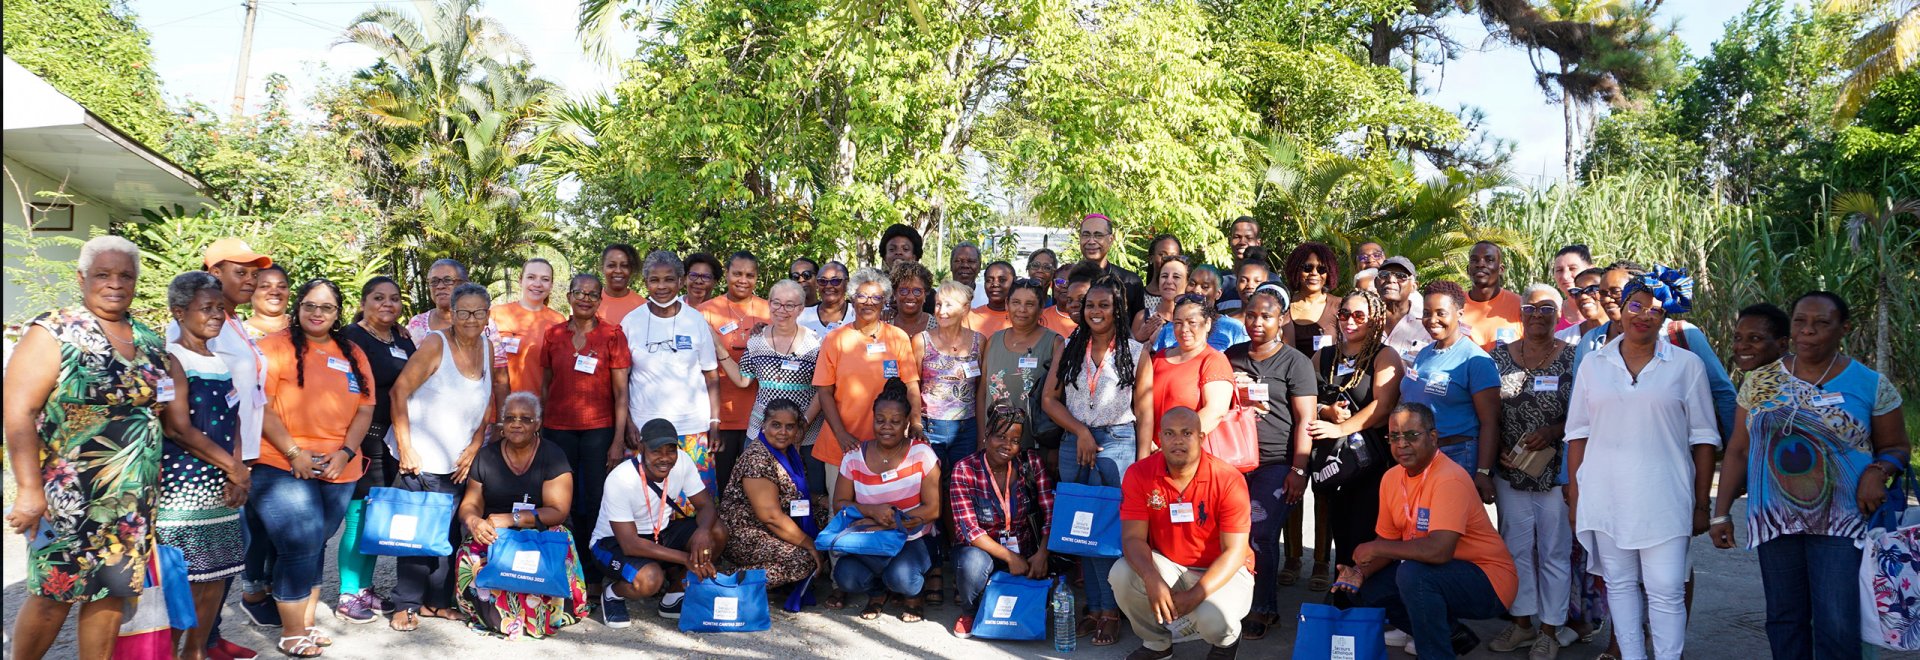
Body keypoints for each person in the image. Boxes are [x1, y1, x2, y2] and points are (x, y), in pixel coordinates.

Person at [1710, 292, 1909, 660]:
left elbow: (1897, 446)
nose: (1808, 331)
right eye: (1801, 321)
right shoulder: (1759, 382)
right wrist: (1721, 512)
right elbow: (1738, 449)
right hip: (1775, 521)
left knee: (1837, 623)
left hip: (1841, 523)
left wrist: (1878, 472)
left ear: (1843, 329)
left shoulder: (1870, 384)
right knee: (1784, 619)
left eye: (1821, 323)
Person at [4, 236, 168, 660]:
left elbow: (162, 411)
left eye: (125, 275)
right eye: (103, 274)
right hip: (67, 494)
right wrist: (28, 489)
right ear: (81, 278)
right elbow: (19, 410)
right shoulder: (54, 330)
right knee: (53, 591)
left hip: (132, 499)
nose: (115, 283)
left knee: (112, 593)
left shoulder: (149, 340)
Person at [1564, 267, 1720, 660]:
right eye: (1636, 305)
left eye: (1654, 310)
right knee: (1619, 585)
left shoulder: (1687, 366)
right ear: (1622, 307)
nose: (1643, 315)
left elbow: (1704, 439)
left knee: (1666, 589)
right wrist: (1576, 498)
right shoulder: (1593, 365)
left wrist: (1702, 504)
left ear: (1665, 316)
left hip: (1665, 497)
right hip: (1605, 495)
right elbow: (1577, 436)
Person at [254, 278, 376, 657]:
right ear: (298, 306)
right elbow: (263, 406)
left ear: (338, 313)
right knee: (299, 544)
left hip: (339, 466)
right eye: (310, 305)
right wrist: (294, 453)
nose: (318, 313)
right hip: (281, 462)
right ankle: (291, 632)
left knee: (316, 543)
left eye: (327, 307)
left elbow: (366, 408)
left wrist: (345, 452)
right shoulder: (272, 347)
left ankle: (304, 625)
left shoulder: (352, 351)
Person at [1339, 403, 1517, 660]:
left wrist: (1375, 548)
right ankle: (1452, 635)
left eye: (1412, 435)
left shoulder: (1449, 478)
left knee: (1414, 575)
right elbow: (1388, 539)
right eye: (1395, 436)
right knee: (1367, 590)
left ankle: (1435, 653)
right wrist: (1359, 572)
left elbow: (1439, 551)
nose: (1402, 444)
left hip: (1488, 582)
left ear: (1433, 438)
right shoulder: (1391, 478)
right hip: (1441, 573)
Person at [1041, 272, 1147, 646]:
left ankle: (1111, 611)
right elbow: (1049, 400)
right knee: (1080, 529)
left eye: (1104, 305)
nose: (1096, 311)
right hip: (1076, 441)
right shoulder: (1070, 345)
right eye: (1090, 305)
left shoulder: (1135, 351)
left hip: (1118, 442)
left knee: (1109, 532)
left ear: (1118, 309)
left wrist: (1144, 461)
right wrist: (1082, 432)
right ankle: (1095, 608)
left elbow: (1144, 411)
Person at [388, 283, 497, 631]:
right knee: (418, 535)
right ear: (452, 313)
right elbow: (399, 391)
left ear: (488, 316)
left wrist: (476, 444)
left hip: (458, 460)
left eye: (478, 312)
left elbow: (487, 401)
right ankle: (405, 604)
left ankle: (435, 603)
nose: (470, 319)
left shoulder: (487, 347)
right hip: (422, 457)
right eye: (463, 312)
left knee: (448, 536)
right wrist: (406, 447)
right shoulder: (436, 343)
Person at [156, 272, 254, 660]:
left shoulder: (218, 359)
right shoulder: (173, 359)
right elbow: (178, 428)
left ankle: (195, 652)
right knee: (183, 582)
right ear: (179, 312)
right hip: (185, 488)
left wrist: (238, 469)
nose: (216, 316)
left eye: (220, 309)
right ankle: (170, 653)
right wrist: (234, 468)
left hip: (222, 484)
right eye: (207, 308)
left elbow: (234, 418)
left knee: (216, 575)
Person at [1111, 407, 1255, 660]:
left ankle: (1226, 643)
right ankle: (1157, 645)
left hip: (1225, 569)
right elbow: (1132, 538)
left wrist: (1195, 594)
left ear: (1201, 437)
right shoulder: (1139, 473)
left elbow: (1235, 551)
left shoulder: (1227, 478)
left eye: (1187, 433)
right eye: (1169, 433)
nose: (1178, 440)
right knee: (1122, 574)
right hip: (1171, 564)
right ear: (1159, 438)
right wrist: (1151, 577)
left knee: (1212, 619)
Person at [1484, 284, 1579, 659]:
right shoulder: (1498, 357)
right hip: (1510, 469)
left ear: (1559, 315)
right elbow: (1488, 413)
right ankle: (1522, 624)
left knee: (1554, 551)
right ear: (1519, 313)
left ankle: (1550, 631)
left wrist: (1554, 431)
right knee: (1515, 549)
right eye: (1530, 308)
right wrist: (1497, 453)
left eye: (1546, 308)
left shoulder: (1574, 358)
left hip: (1555, 470)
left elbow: (1585, 413)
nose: (1537, 314)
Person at [1224, 284, 1319, 640]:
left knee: (1261, 532)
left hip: (1276, 463)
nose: (1257, 322)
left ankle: (1263, 608)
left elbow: (1306, 421)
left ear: (1282, 319)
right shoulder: (1231, 355)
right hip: (1232, 460)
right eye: (1251, 314)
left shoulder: (1295, 362)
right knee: (1230, 533)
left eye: (1266, 315)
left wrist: (1298, 469)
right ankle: (1228, 603)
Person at [452, 392, 588, 638]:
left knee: (559, 541)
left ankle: (540, 614)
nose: (516, 424)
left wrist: (513, 519)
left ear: (537, 424)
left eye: (525, 419)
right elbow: (470, 503)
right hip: (497, 532)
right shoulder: (486, 457)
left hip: (541, 530)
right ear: (502, 424)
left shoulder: (553, 455)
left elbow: (558, 511)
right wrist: (474, 521)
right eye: (510, 418)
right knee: (470, 552)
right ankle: (492, 614)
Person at [538, 272, 633, 592]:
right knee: (558, 501)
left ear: (600, 300)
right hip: (557, 429)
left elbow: (622, 394)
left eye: (593, 295)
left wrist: (618, 440)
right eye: (579, 292)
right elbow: (546, 384)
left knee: (591, 501)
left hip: (598, 431)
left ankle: (591, 574)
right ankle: (559, 567)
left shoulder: (612, 335)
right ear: (569, 296)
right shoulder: (553, 335)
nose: (585, 299)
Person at [1571, 262, 1736, 440]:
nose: (1607, 299)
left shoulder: (1682, 335)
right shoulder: (1591, 343)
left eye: (1615, 292)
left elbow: (1722, 392)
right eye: (1602, 293)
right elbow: (1579, 417)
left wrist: (1736, 454)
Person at [334, 276, 418, 623]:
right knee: (357, 516)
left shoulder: (401, 337)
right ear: (364, 302)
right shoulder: (351, 338)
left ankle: (365, 589)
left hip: (392, 438)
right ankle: (348, 593)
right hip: (364, 438)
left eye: (394, 299)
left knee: (375, 516)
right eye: (379, 298)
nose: (387, 304)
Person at [1306, 290, 1403, 575]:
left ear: (1374, 321)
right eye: (1345, 314)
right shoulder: (1323, 356)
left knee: (1365, 532)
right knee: (1341, 529)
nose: (1350, 321)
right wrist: (1326, 412)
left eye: (1359, 315)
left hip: (1370, 462)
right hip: (1332, 460)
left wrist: (1340, 427)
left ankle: (1364, 599)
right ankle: (1343, 593)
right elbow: (1307, 399)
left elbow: (1382, 407)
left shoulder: (1385, 356)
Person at [591, 418, 723, 626]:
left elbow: (705, 505)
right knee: (650, 579)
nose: (665, 458)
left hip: (659, 533)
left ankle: (674, 595)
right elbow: (630, 543)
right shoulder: (621, 479)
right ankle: (613, 593)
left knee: (717, 531)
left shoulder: (683, 461)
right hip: (613, 542)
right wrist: (686, 558)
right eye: (656, 451)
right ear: (642, 449)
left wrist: (703, 532)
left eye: (670, 450)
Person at [832, 378, 943, 622]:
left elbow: (933, 509)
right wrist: (870, 510)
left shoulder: (922, 453)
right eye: (880, 420)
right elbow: (839, 503)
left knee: (902, 576)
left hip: (913, 537)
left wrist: (896, 521)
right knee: (846, 575)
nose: (886, 427)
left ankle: (913, 594)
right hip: (870, 537)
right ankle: (877, 591)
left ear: (906, 423)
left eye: (895, 422)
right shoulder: (853, 457)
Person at [814, 267, 924, 503]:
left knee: (885, 511)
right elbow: (824, 392)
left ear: (884, 301)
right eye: (862, 296)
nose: (868, 302)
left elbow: (912, 386)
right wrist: (841, 435)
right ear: (852, 299)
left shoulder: (898, 337)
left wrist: (915, 422)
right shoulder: (835, 340)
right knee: (842, 512)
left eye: (875, 297)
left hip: (889, 443)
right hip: (842, 444)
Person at [948, 403, 1055, 638]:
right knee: (972, 564)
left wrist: (1042, 554)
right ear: (987, 434)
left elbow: (1050, 513)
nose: (1007, 445)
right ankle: (970, 611)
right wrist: (1009, 557)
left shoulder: (1031, 464)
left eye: (1015, 440)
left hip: (1026, 551)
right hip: (982, 551)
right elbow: (970, 531)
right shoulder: (964, 470)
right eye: (1000, 436)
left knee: (1041, 600)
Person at [623, 250, 723, 491]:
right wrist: (628, 423)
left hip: (692, 429)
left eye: (669, 279)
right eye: (654, 280)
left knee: (696, 500)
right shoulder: (630, 322)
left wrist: (714, 423)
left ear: (680, 281)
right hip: (645, 429)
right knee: (646, 500)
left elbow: (711, 376)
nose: (662, 286)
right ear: (645, 282)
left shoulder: (695, 320)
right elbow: (620, 381)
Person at [713, 279, 826, 492]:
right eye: (776, 303)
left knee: (809, 495)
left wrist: (802, 426)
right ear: (769, 304)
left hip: (807, 434)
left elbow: (823, 390)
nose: (782, 310)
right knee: (761, 494)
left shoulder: (815, 344)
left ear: (801, 309)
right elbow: (743, 380)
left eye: (790, 305)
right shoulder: (756, 343)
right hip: (762, 431)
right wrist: (720, 349)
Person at [1401, 281, 1500, 504]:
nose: (1432, 320)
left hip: (1457, 455)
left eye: (1440, 313)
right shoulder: (1425, 353)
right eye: (1427, 313)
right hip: (1421, 455)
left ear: (1460, 314)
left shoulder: (1476, 360)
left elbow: (1490, 422)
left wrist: (1483, 472)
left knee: (1449, 529)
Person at [718, 400, 828, 591]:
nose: (783, 432)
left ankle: (774, 572)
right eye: (776, 425)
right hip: (746, 533)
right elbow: (770, 517)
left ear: (797, 430)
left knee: (831, 520)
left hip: (775, 524)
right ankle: (726, 580)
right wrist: (810, 545)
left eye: (790, 427)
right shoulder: (757, 459)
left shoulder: (789, 452)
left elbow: (790, 491)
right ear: (764, 425)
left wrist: (819, 500)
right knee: (802, 560)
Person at [702, 251, 771, 499]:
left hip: (760, 416)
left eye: (750, 275)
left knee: (754, 486)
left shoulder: (769, 310)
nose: (743, 280)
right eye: (737, 273)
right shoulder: (706, 311)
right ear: (727, 274)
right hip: (720, 416)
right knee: (722, 485)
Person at [977, 279, 1062, 457]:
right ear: (1007, 304)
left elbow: (1060, 399)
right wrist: (981, 438)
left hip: (1036, 444)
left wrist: (1054, 448)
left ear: (1041, 308)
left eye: (1029, 304)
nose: (1022, 309)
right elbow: (983, 392)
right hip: (994, 443)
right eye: (1016, 302)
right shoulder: (994, 340)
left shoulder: (1054, 343)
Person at [1137, 295, 1235, 441]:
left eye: (1192, 322)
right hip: (1153, 451)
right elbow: (1142, 408)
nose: (1184, 329)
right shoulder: (1159, 357)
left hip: (1188, 451)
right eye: (1178, 323)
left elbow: (1215, 411)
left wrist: (1175, 442)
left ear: (1207, 323)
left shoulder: (1213, 360)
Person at [920, 281, 984, 470]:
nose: (941, 311)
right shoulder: (921, 340)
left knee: (962, 484)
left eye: (949, 304)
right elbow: (913, 385)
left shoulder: (979, 341)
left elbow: (979, 390)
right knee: (931, 485)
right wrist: (915, 423)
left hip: (967, 428)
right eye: (938, 304)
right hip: (929, 427)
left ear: (965, 308)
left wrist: (981, 435)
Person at [488, 259, 565, 399]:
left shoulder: (558, 322)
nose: (537, 284)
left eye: (545, 279)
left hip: (534, 409)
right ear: (520, 280)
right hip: (497, 408)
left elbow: (558, 372)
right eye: (531, 277)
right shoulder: (495, 314)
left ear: (551, 285)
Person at [1152, 265, 1248, 352]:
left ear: (1218, 294)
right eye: (1192, 284)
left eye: (1205, 287)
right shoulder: (1170, 329)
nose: (1196, 290)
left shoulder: (1234, 329)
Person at [1078, 212, 1146, 313]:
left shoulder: (1130, 281)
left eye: (1098, 235)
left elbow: (1138, 323)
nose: (1091, 241)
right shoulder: (1067, 278)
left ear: (1110, 239)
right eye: (1086, 235)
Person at [1462, 241, 1524, 351]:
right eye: (1474, 260)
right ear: (1468, 269)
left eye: (1489, 260)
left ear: (1501, 269)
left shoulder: (1520, 305)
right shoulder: (1454, 305)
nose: (1480, 264)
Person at [1283, 241, 1341, 357]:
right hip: (1293, 372)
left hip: (1328, 373)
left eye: (1321, 269)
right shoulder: (1283, 306)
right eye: (1307, 268)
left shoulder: (1340, 306)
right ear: (1296, 270)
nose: (1314, 273)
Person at [1378, 256, 1430, 360]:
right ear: (1376, 282)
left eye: (1401, 276)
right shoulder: (1361, 319)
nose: (1391, 280)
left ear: (1414, 286)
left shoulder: (1427, 323)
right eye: (1384, 275)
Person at [1131, 254, 1189, 343]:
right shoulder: (1142, 316)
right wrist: (1139, 337)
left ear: (1187, 284)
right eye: (1164, 276)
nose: (1169, 281)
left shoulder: (1193, 319)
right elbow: (1129, 354)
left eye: (1176, 277)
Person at [1728, 302, 1791, 373]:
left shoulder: (1788, 381)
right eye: (1737, 338)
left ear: (1782, 344)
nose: (1742, 346)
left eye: (1755, 338)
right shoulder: (1754, 377)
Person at [1553, 268, 1606, 345]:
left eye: (1592, 289)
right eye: (1577, 292)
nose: (1583, 296)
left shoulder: (1625, 334)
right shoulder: (1562, 339)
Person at [798, 260, 852, 336]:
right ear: (817, 284)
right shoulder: (801, 317)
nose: (828, 286)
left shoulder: (858, 314)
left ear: (846, 283)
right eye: (822, 281)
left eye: (835, 281)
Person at [598, 244, 647, 324]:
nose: (618, 271)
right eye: (611, 265)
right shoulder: (590, 303)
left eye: (624, 266)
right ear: (602, 268)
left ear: (631, 269)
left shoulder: (644, 307)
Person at [1549, 245, 1593, 332]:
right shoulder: (1550, 314)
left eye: (1572, 268)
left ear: (1591, 269)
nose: (1565, 276)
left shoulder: (1607, 311)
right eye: (1559, 270)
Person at [888, 260, 934, 337]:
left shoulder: (937, 326)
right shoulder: (885, 324)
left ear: (925, 294)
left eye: (917, 291)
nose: (910, 297)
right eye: (903, 290)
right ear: (894, 293)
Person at [244, 264, 291, 339]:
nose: (275, 292)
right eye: (265, 286)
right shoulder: (239, 333)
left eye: (282, 286)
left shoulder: (304, 327)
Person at [1141, 234, 1184, 313]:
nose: (1168, 259)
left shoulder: (1185, 298)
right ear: (1151, 258)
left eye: (1173, 256)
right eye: (1162, 254)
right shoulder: (1138, 296)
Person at [970, 261, 1015, 336]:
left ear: (1014, 282)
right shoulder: (970, 317)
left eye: (1002, 280)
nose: (995, 284)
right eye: (989, 280)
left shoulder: (1022, 316)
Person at [1039, 263, 1084, 338]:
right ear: (1052, 285)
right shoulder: (1040, 317)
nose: (1065, 285)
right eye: (1060, 282)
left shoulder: (1089, 317)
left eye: (1071, 282)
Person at [950, 241, 985, 306]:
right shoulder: (936, 296)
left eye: (971, 261)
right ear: (951, 265)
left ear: (979, 266)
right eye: (958, 261)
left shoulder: (988, 297)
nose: (965, 265)